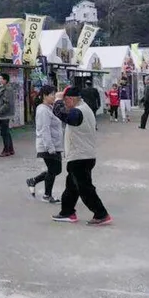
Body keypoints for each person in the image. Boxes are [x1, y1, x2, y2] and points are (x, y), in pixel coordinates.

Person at [51, 86, 112, 226]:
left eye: (66, 102)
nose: (65, 105)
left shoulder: (80, 111)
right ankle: (67, 212)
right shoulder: (84, 108)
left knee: (85, 188)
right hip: (82, 156)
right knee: (72, 187)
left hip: (80, 157)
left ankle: (101, 213)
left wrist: (58, 101)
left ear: (71, 99)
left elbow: (62, 114)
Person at [26, 85, 64, 203]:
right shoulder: (42, 109)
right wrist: (50, 147)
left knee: (56, 170)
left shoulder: (49, 108)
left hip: (54, 144)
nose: (53, 97)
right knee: (54, 170)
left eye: (54, 94)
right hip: (48, 146)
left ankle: (33, 181)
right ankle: (47, 195)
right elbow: (44, 129)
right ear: (44, 96)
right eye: (51, 94)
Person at [0, 72, 15, 157]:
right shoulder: (4, 88)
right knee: (6, 132)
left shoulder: (8, 89)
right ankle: (10, 149)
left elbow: (7, 103)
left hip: (5, 114)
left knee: (4, 132)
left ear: (5, 80)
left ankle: (6, 150)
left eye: (0, 78)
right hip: (4, 114)